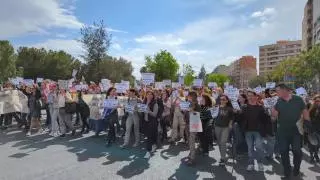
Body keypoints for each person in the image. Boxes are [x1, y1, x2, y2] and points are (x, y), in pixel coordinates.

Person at [271, 84, 311, 179]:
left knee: (297, 151)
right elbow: (274, 117)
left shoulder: (298, 99)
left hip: (296, 132)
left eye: (278, 91)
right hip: (282, 132)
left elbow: (305, 112)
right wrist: (271, 111)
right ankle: (287, 170)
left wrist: (308, 123)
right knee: (283, 151)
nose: (276, 93)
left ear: (284, 90)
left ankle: (296, 168)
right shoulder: (278, 102)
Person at [240, 91, 268, 172]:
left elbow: (265, 120)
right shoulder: (244, 107)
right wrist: (237, 113)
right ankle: (251, 163)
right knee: (250, 148)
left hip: (258, 131)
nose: (250, 97)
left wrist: (267, 113)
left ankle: (260, 163)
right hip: (248, 131)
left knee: (259, 147)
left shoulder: (261, 107)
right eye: (248, 96)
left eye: (252, 96)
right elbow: (240, 119)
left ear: (256, 97)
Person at [214, 94, 234, 166]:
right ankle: (222, 155)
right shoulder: (217, 107)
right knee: (219, 143)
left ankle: (223, 158)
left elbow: (231, 117)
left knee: (223, 142)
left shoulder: (229, 109)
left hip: (225, 127)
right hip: (217, 126)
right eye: (221, 99)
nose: (221, 101)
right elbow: (213, 115)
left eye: (223, 99)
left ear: (227, 101)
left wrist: (230, 124)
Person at [184, 91, 201, 166]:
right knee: (189, 140)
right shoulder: (188, 103)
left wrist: (191, 110)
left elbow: (197, 114)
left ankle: (192, 158)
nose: (188, 96)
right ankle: (191, 152)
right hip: (188, 123)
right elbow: (186, 112)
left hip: (194, 123)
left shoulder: (196, 104)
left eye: (189, 95)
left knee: (192, 140)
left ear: (193, 96)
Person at [143, 91, 159, 159]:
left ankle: (148, 151)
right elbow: (142, 111)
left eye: (150, 94)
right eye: (148, 94)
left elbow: (155, 114)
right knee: (151, 135)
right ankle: (154, 144)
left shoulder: (155, 104)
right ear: (146, 95)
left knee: (149, 137)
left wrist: (148, 111)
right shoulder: (144, 103)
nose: (149, 96)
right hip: (145, 122)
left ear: (153, 96)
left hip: (152, 122)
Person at [308, 95, 320, 163]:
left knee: (318, 144)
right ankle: (311, 156)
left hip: (318, 129)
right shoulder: (310, 108)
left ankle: (316, 154)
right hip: (312, 129)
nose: (318, 102)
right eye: (317, 101)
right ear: (314, 101)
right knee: (312, 144)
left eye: (319, 101)